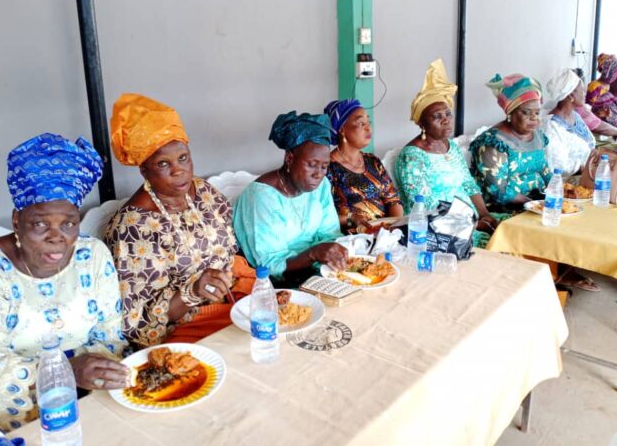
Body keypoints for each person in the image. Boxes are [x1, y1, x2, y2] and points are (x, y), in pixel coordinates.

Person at [0, 133, 128, 432]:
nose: (57, 238)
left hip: (93, 400)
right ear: (17, 220)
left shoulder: (91, 256)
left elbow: (111, 335)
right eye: (40, 224)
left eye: (68, 223)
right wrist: (67, 372)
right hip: (19, 420)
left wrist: (89, 376)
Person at [106, 94, 254, 348]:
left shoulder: (205, 192)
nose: (179, 170)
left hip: (235, 301)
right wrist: (194, 291)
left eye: (183, 158)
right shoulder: (134, 228)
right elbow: (139, 323)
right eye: (163, 164)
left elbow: (232, 251)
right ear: (144, 170)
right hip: (185, 327)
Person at [394, 59, 504, 248]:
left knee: (512, 231)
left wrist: (484, 214)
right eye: (437, 117)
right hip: (440, 230)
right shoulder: (412, 156)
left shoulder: (451, 147)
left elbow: (468, 185)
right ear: (422, 124)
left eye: (448, 114)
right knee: (498, 248)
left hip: (472, 220)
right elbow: (424, 207)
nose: (446, 120)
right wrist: (473, 225)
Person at [233, 111, 347, 287]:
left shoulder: (321, 185)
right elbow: (268, 264)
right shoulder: (261, 197)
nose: (318, 174)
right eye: (311, 164)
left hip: (319, 273)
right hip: (277, 284)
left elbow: (330, 233)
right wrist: (313, 254)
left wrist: (331, 253)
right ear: (290, 159)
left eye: (324, 166)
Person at [470, 73, 551, 210]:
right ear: (510, 113)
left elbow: (545, 172)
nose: (533, 118)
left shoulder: (538, 136)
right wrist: (536, 205)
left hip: (538, 203)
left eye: (537, 113)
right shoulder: (492, 142)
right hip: (506, 209)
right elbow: (498, 192)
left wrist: (558, 193)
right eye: (526, 112)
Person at [324, 99, 403, 234]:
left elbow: (393, 201)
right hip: (351, 238)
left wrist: (394, 229)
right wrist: (351, 220)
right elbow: (324, 217)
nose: (368, 128)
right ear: (342, 129)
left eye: (368, 122)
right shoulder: (327, 168)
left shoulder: (373, 161)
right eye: (361, 123)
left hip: (386, 234)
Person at [542, 68, 595, 176]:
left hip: (589, 171)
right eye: (582, 90)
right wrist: (582, 167)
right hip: (569, 183)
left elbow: (590, 143)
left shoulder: (575, 116)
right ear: (571, 95)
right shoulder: (551, 127)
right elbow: (558, 166)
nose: (585, 94)